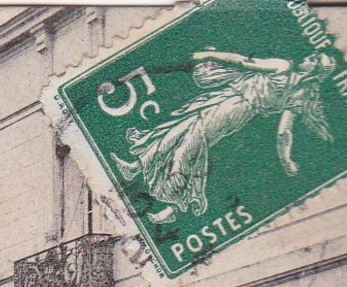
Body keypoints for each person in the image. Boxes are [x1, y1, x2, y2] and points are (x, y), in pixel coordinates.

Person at [113, 51, 336, 225]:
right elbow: (283, 132)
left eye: (313, 59)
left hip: (234, 104)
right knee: (180, 128)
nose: (307, 58)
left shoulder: (284, 68)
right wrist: (286, 160)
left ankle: (174, 203)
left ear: (315, 70)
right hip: (231, 102)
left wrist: (210, 56)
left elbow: (243, 62)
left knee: (190, 142)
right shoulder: (300, 93)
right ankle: (137, 167)